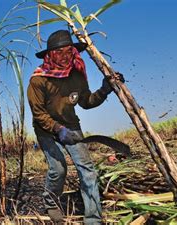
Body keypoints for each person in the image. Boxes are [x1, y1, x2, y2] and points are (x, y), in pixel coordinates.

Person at [27, 30, 123, 224]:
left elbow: (87, 102)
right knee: (59, 169)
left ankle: (93, 219)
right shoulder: (38, 80)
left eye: (68, 51)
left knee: (87, 170)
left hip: (71, 125)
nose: (64, 57)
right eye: (59, 52)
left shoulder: (77, 76)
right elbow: (38, 114)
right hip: (45, 129)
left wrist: (105, 90)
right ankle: (51, 202)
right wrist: (58, 129)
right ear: (50, 55)